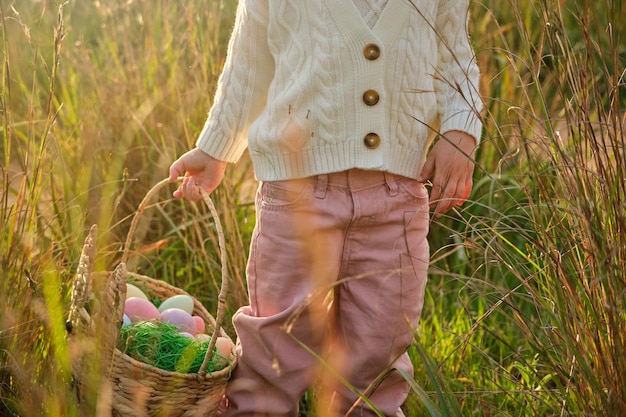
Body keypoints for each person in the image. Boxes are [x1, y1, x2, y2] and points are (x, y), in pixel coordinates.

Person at [168, 0, 482, 415]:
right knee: (277, 341)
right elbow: (249, 61)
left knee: (380, 345)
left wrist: (461, 130)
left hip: (397, 198)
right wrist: (216, 147)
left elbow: (455, 53)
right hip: (296, 193)